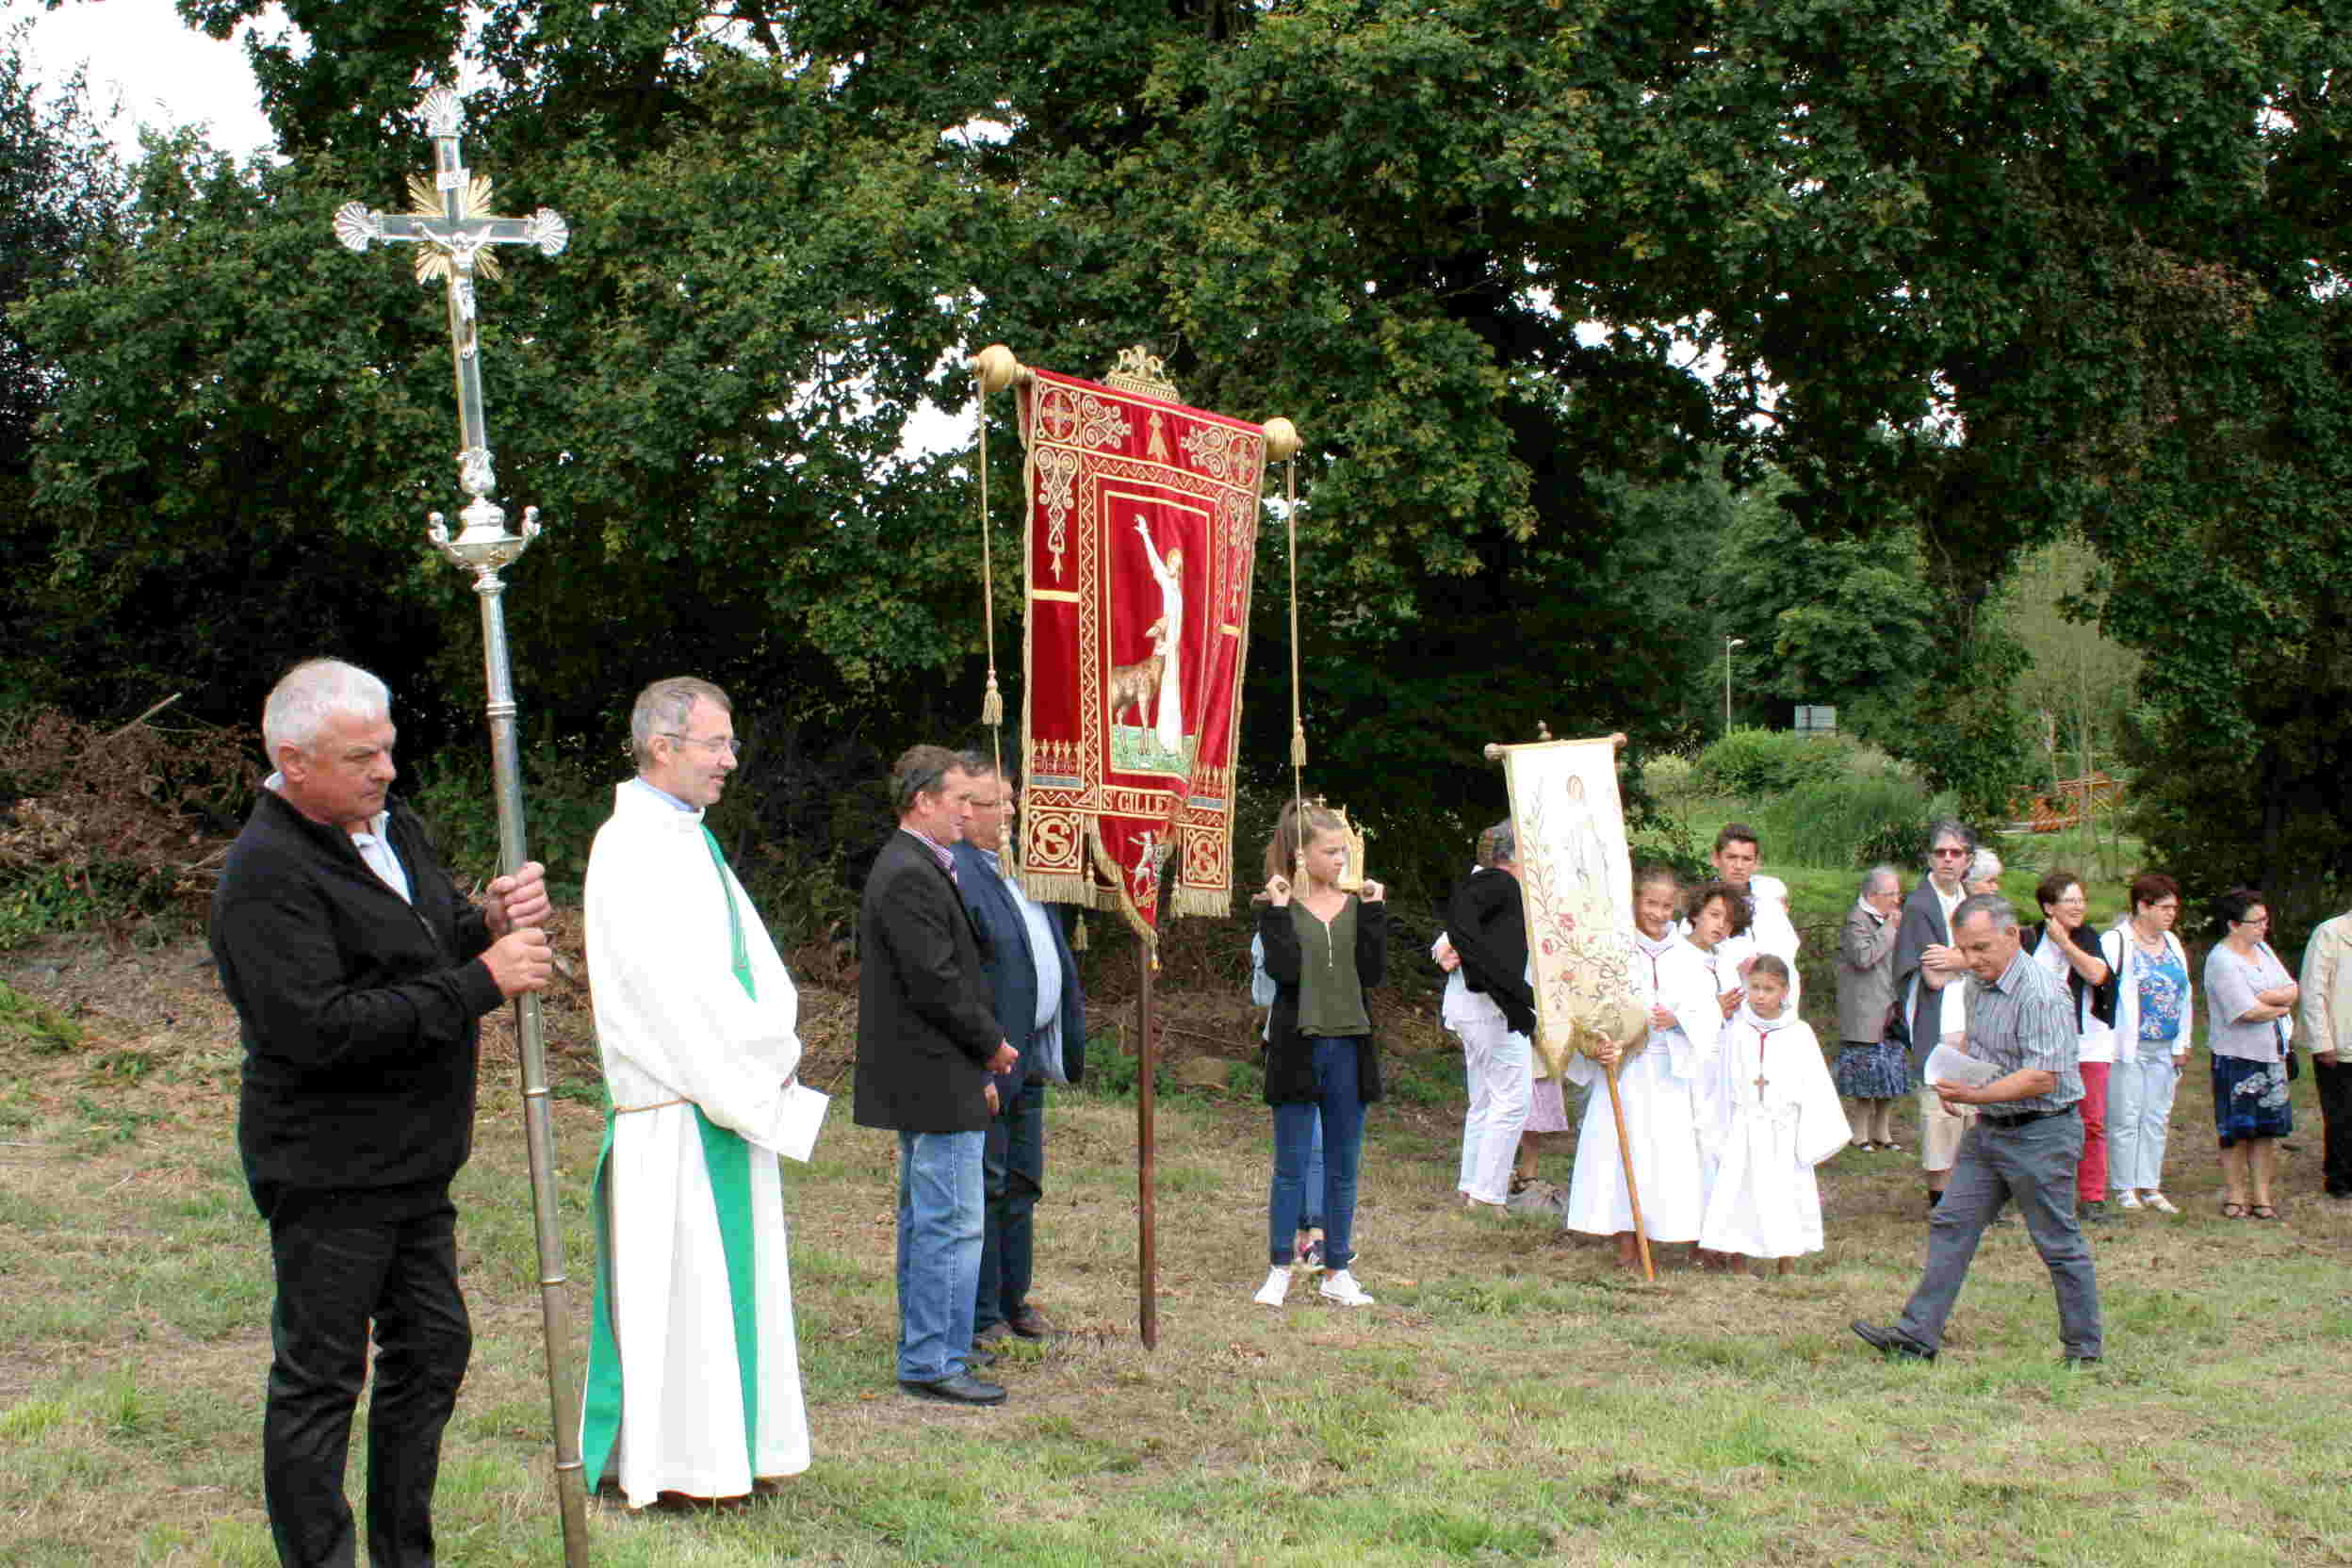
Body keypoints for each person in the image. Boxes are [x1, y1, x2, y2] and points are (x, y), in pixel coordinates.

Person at [210, 658, 553, 1568]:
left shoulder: (391, 825)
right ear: (293, 758)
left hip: (416, 1160)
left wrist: (486, 921)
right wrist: (483, 982)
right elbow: (320, 1029)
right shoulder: (265, 875)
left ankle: (407, 1554)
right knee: (322, 1381)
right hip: (327, 1167)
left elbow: (427, 936)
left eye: (389, 750)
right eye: (362, 757)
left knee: (433, 1351)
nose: (386, 771)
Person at [578, 677, 810, 1507]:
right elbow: (673, 993)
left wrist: (771, 1045)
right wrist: (758, 1059)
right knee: (683, 1302)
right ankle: (683, 1467)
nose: (730, 761)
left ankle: (736, 1453)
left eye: (730, 744)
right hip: (678, 1108)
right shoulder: (633, 845)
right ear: (663, 747)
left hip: (718, 1096)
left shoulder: (684, 837)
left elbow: (743, 967)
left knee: (729, 1295)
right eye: (717, 744)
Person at [1852, 893, 2102, 1366]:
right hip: (1993, 1130)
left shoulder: (2042, 993)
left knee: (2057, 1242)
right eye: (1965, 950)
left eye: (1982, 948)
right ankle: (1915, 1336)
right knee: (1951, 1221)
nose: (1973, 960)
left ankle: (2084, 1350)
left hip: (2043, 1131)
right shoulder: (1976, 984)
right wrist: (1959, 1076)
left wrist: (1974, 1098)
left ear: (2012, 936)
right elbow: (1979, 1047)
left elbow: (2042, 1076)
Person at [854, 745, 1020, 1404]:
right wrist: (991, 1047)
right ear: (923, 801)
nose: (968, 810)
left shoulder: (921, 865)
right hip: (932, 1071)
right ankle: (934, 1358)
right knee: (950, 1218)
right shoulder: (908, 873)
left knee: (933, 1217)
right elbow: (938, 982)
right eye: (957, 799)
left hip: (932, 1069)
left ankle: (932, 1347)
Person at [950, 757, 1086, 1345]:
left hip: (1028, 1052)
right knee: (987, 1182)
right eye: (994, 802)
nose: (1009, 810)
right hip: (990, 1054)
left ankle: (1014, 1300)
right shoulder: (956, 873)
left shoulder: (1027, 867)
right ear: (962, 808)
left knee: (1023, 1182)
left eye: (1011, 799)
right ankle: (982, 1315)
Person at [1252, 799, 1389, 1308]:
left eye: (1345, 852)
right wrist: (1281, 911)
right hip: (1297, 1049)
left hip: (1350, 1048)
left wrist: (1375, 911)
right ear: (1300, 854)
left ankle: (1337, 1271)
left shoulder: (1358, 905)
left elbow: (1371, 974)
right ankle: (1279, 1269)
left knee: (1342, 1167)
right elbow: (1284, 973)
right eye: (1331, 852)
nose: (1341, 861)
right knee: (1290, 1166)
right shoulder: (1276, 908)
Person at [1560, 867, 1716, 1269]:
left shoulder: (1687, 956)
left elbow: (1707, 1010)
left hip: (1668, 1068)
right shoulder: (1615, 951)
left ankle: (1659, 1230)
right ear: (1636, 902)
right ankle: (1625, 1240)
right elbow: (1590, 1006)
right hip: (1627, 1066)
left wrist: (1679, 1019)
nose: (1659, 913)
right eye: (1651, 903)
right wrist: (1602, 1044)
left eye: (1667, 906)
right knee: (1619, 1147)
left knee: (1663, 1153)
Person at [1697, 955, 1848, 1272]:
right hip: (1745, 1126)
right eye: (1754, 988)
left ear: (1785, 991)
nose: (1760, 996)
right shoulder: (1736, 1030)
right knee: (1741, 1191)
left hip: (1783, 1128)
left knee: (1785, 1193)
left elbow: (1814, 1083)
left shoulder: (1799, 1033)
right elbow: (1723, 1081)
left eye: (1769, 989)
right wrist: (1718, 1124)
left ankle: (1786, 1260)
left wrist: (1808, 1130)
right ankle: (1737, 1259)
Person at [1447, 821, 1536, 1212]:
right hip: (1490, 1008)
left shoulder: (1477, 886)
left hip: (1471, 1008)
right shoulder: (1501, 887)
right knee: (1512, 1100)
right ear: (1512, 856)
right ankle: (1487, 1193)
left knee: (1484, 1099)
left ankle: (1472, 1185)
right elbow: (1470, 943)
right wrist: (1518, 994)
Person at [1893, 820, 1979, 1210]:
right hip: (1937, 1018)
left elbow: (1996, 958)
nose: (1947, 859)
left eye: (1956, 852)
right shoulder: (1919, 905)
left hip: (1975, 1016)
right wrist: (1973, 960)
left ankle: (1974, 1196)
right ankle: (1941, 1200)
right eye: (1940, 852)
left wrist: (1959, 959)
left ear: (1968, 860)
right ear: (1930, 857)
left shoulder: (1974, 902)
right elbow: (1933, 974)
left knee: (1975, 1108)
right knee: (1940, 1110)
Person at [2023, 871, 2117, 1222]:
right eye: (2070, 900)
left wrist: (2065, 944)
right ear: (2049, 907)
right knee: (2042, 1119)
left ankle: (2092, 1197)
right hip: (2043, 1046)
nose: (2079, 907)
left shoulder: (2089, 937)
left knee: (2091, 1122)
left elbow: (2098, 975)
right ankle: (2042, 1192)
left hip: (2088, 1043)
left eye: (2082, 900)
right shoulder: (2029, 938)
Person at [2203, 888, 2298, 1220]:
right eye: (2255, 922)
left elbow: (2292, 988)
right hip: (2236, 1056)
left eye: (2265, 920)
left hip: (2272, 1054)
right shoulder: (2221, 960)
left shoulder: (2264, 951)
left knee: (2266, 1130)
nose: (2262, 927)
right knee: (2236, 1130)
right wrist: (2278, 1004)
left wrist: (2265, 997)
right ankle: (2235, 1196)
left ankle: (2262, 1197)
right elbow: (2245, 1011)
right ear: (2233, 924)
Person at [2099, 873, 2192, 1214]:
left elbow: (2185, 994)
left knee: (2156, 1116)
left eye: (2174, 908)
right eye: (2165, 907)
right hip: (2129, 1044)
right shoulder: (2117, 941)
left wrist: (2182, 1042)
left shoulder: (2173, 943)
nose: (2171, 914)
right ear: (2143, 906)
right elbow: (2106, 994)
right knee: (2126, 1114)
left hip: (2165, 1046)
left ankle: (2150, 1184)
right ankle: (2124, 1187)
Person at [1834, 865, 1906, 1152]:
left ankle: (1883, 1132)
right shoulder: (1856, 921)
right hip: (1865, 1013)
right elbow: (1864, 957)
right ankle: (1860, 1134)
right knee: (1866, 1078)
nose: (1896, 900)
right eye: (1891, 894)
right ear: (1873, 895)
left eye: (1898, 894)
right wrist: (1890, 929)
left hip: (1890, 1009)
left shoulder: (1890, 917)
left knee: (1891, 1073)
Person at [2293, 895, 2352, 1203]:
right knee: (2341, 1113)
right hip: (2339, 1042)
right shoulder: (2330, 933)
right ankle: (2339, 1177)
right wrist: (2322, 1041)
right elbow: (2313, 991)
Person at [1704, 824, 1801, 999]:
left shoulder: (1770, 895)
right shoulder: (1702, 907)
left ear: (1757, 862)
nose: (1738, 866)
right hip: (1733, 1005)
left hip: (1778, 1002)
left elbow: (1787, 944)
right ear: (1716, 858)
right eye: (1731, 857)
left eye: (1747, 859)